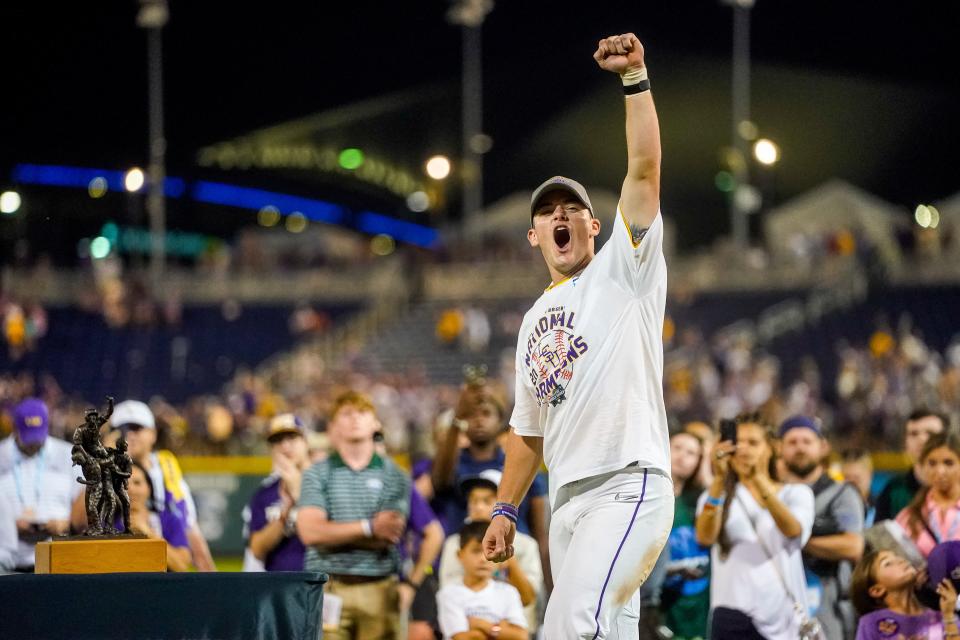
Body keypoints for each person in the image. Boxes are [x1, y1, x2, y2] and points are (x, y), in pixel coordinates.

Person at [483, 32, 675, 638]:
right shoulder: (534, 320)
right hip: (567, 502)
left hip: (627, 483)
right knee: (605, 631)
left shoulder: (626, 269)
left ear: (596, 224)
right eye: (547, 212)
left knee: (568, 625)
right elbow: (527, 430)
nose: (560, 215)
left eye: (572, 208)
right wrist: (505, 507)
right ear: (534, 237)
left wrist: (635, 80)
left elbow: (644, 168)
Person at [296, 391, 411, 640]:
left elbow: (388, 534)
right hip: (329, 587)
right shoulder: (316, 473)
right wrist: (369, 527)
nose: (355, 419)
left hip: (379, 587)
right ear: (332, 427)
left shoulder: (396, 475)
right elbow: (309, 532)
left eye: (362, 412)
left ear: (375, 424)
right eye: (346, 413)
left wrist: (332, 532)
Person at [694, 414, 815, 640]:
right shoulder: (716, 495)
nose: (743, 449)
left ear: (773, 448)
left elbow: (794, 530)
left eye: (753, 443)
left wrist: (758, 480)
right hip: (732, 613)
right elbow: (704, 537)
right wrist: (719, 480)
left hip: (784, 617)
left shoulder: (796, 493)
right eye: (737, 443)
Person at [779, 415, 865, 640]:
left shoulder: (842, 494)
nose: (800, 448)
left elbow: (853, 546)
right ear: (779, 447)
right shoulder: (773, 495)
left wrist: (794, 539)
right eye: (792, 442)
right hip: (779, 610)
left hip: (829, 610)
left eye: (807, 441)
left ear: (823, 446)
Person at [109, 399, 217, 571]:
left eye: (136, 428)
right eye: (122, 430)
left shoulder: (165, 466)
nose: (129, 435)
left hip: (162, 541)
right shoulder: (101, 467)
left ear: (153, 434)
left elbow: (186, 529)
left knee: (196, 551)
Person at [440, 470, 542, 633]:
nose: (478, 507)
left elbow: (528, 599)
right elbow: (450, 596)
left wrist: (509, 560)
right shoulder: (454, 544)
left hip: (514, 631)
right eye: (473, 500)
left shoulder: (525, 545)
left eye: (487, 501)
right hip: (467, 630)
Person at [0, 398, 81, 571]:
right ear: (15, 428)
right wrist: (7, 525)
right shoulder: (2, 456)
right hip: (10, 562)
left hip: (58, 560)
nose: (35, 443)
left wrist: (66, 524)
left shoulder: (68, 454)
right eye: (29, 437)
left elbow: (83, 503)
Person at [437, 521, 528, 640]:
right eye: (476, 551)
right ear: (460, 555)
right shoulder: (449, 594)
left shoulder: (509, 592)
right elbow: (461, 638)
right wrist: (502, 628)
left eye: (490, 551)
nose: (483, 559)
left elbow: (521, 636)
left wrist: (481, 625)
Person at [246, 413, 310, 571]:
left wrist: (300, 496)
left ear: (305, 442)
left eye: (291, 438)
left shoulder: (326, 483)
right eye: (277, 441)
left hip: (322, 585)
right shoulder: (265, 493)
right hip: (278, 586)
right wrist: (286, 511)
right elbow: (256, 549)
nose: (285, 446)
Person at [661, 431, 710, 640]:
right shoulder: (647, 499)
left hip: (698, 608)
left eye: (691, 453)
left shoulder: (699, 502)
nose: (682, 456)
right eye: (677, 448)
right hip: (663, 608)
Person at [850, 548, 959, 640]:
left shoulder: (940, 614)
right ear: (877, 590)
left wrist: (949, 615)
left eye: (897, 556)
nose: (900, 560)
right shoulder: (871, 623)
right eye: (888, 563)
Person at [875, 409, 948, 522]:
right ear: (905, 443)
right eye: (913, 434)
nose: (921, 439)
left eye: (930, 433)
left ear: (948, 440)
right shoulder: (893, 490)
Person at [895, 432, 960, 558]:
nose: (940, 471)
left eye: (948, 463)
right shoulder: (907, 517)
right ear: (922, 466)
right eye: (932, 463)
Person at [126, 460, 192, 572]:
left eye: (137, 483)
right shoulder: (108, 524)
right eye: (124, 484)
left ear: (149, 488)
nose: (131, 489)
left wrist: (148, 533)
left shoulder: (168, 519)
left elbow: (181, 566)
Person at [403, 487, 445, 640]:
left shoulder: (399, 482)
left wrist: (410, 585)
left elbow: (434, 535)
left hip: (397, 581)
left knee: (420, 631)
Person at [841, 448, 876, 527]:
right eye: (846, 478)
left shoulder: (881, 508)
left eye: (856, 478)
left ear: (869, 475)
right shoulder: (836, 509)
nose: (851, 484)